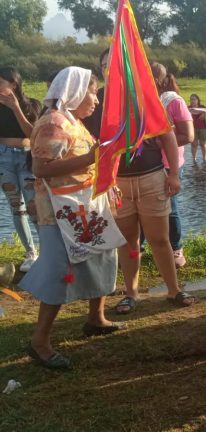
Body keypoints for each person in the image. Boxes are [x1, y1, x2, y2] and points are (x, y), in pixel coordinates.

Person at [21, 67, 125, 370]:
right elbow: (41, 169)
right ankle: (40, 341)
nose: (96, 99)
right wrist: (91, 158)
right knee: (60, 272)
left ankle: (95, 318)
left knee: (102, 256)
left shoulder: (73, 121)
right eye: (93, 92)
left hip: (86, 207)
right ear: (76, 92)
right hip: (60, 214)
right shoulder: (53, 124)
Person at [112, 66, 194, 314]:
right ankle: (131, 293)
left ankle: (174, 290)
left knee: (160, 239)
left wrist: (174, 175)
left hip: (151, 178)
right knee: (128, 242)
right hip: (120, 184)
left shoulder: (151, 106)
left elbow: (170, 138)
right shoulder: (109, 109)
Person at [151, 62, 194, 268]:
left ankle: (176, 248)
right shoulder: (142, 101)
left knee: (171, 207)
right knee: (147, 206)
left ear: (158, 80)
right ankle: (144, 247)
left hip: (169, 162)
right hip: (147, 163)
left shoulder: (173, 101)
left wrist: (160, 142)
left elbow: (189, 135)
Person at [0, 66, 41, 272]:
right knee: (17, 207)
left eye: (0, 83)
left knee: (35, 206)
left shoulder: (32, 104)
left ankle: (48, 251)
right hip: (3, 159)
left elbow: (34, 135)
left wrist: (16, 107)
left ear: (13, 85)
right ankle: (31, 253)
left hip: (27, 157)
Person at [188, 94, 206, 164]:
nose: (193, 101)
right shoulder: (188, 108)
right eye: (191, 99)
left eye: (194, 99)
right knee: (194, 144)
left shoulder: (202, 107)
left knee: (203, 144)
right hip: (192, 128)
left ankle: (204, 159)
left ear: (198, 100)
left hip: (202, 128)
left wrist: (204, 114)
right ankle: (194, 159)